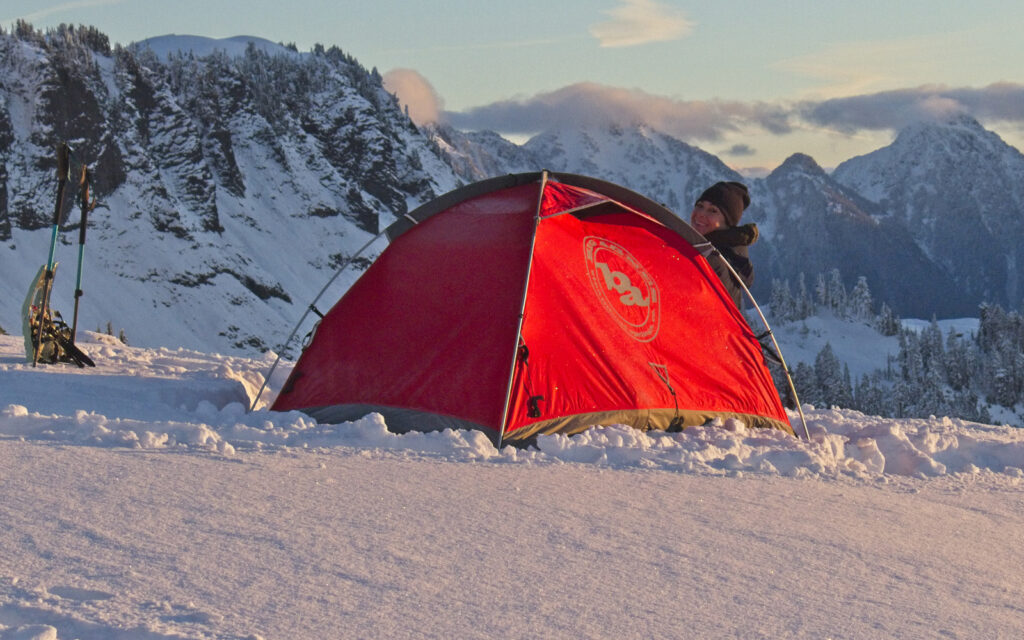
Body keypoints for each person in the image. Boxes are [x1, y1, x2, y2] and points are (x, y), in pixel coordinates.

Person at [690, 181, 759, 307]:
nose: (701, 214)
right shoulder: (730, 250)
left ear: (727, 222)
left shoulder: (711, 257)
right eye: (700, 206)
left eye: (713, 210)